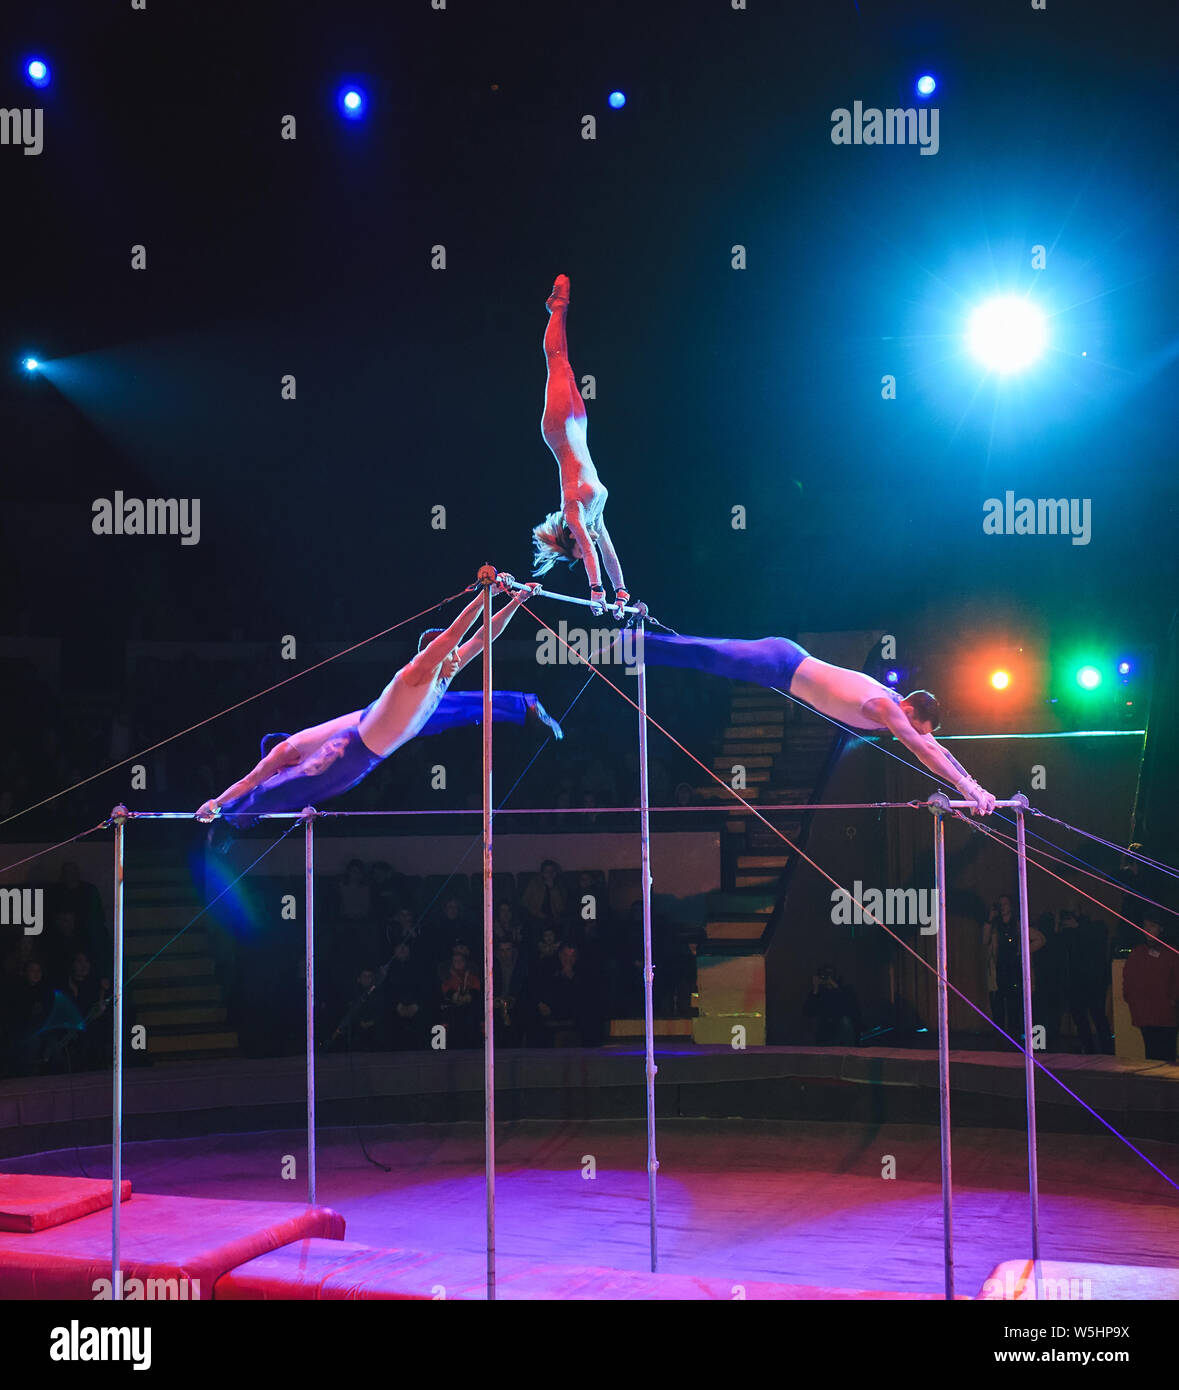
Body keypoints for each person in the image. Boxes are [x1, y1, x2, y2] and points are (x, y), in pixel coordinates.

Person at [196, 578, 545, 825]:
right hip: (360, 749)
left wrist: (515, 600)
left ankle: (523, 708)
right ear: (433, 653)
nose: (457, 656)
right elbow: (455, 634)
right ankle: (230, 816)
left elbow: (483, 638)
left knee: (462, 703)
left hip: (375, 736)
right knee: (278, 791)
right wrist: (216, 801)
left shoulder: (445, 671)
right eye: (449, 653)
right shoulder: (415, 672)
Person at [639, 631, 997, 814]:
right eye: (918, 727)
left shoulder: (896, 704)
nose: (916, 735)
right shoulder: (888, 709)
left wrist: (974, 786)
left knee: (707, 655)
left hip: (785, 663)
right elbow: (924, 751)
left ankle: (638, 643)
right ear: (910, 713)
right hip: (780, 663)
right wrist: (965, 790)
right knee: (706, 655)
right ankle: (634, 641)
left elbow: (936, 747)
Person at [530, 275, 633, 618]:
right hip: (579, 428)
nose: (583, 537)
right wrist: (620, 592)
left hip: (559, 429)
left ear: (570, 535)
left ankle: (557, 307)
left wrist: (596, 591)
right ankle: (557, 309)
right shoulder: (595, 518)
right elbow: (608, 553)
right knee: (568, 368)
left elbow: (590, 552)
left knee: (557, 360)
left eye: (575, 540)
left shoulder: (573, 510)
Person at [1121, 914, 1179, 1062]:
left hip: (1166, 1013)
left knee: (1167, 1054)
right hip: (1145, 1013)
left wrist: (1173, 1000)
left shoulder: (1171, 953)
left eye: (1151, 926)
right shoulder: (1138, 952)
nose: (1147, 930)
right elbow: (1128, 978)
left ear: (1161, 929)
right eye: (1145, 926)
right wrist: (1131, 999)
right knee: (1152, 1053)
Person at [1058, 908, 1113, 1054]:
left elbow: (1097, 938)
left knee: (1098, 1015)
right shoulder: (1069, 933)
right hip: (1076, 982)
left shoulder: (1096, 928)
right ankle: (1089, 1049)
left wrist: (1078, 925)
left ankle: (1107, 1050)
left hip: (1094, 981)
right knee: (1080, 1016)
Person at [804, 964, 862, 1045]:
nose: (827, 977)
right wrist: (815, 988)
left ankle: (850, 1051)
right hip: (824, 1024)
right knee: (815, 1024)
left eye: (830, 974)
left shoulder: (845, 989)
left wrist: (835, 986)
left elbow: (851, 1007)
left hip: (841, 1022)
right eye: (824, 974)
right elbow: (808, 1011)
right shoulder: (819, 992)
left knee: (846, 1021)